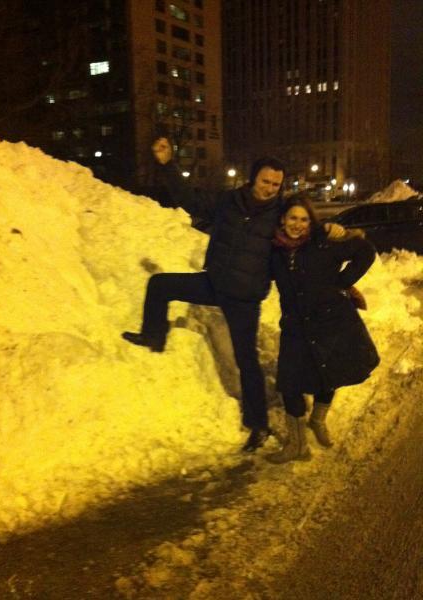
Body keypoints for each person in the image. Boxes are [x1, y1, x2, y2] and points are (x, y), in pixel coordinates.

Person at [123, 138, 342, 453]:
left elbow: (304, 232)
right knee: (160, 284)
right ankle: (153, 337)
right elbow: (190, 200)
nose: (270, 188)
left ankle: (259, 426)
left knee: (246, 360)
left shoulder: (280, 214)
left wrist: (335, 233)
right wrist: (167, 165)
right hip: (214, 283)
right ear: (253, 178)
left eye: (276, 184)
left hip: (244, 298)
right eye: (266, 181)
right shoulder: (228, 201)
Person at [267, 196, 380, 463]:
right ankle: (298, 446)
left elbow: (365, 251)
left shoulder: (324, 243)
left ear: (311, 222)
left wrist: (342, 282)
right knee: (289, 383)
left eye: (304, 219)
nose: (297, 224)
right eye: (292, 218)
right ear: (282, 219)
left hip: (331, 320)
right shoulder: (274, 251)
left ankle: (318, 419)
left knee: (327, 373)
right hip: (295, 325)